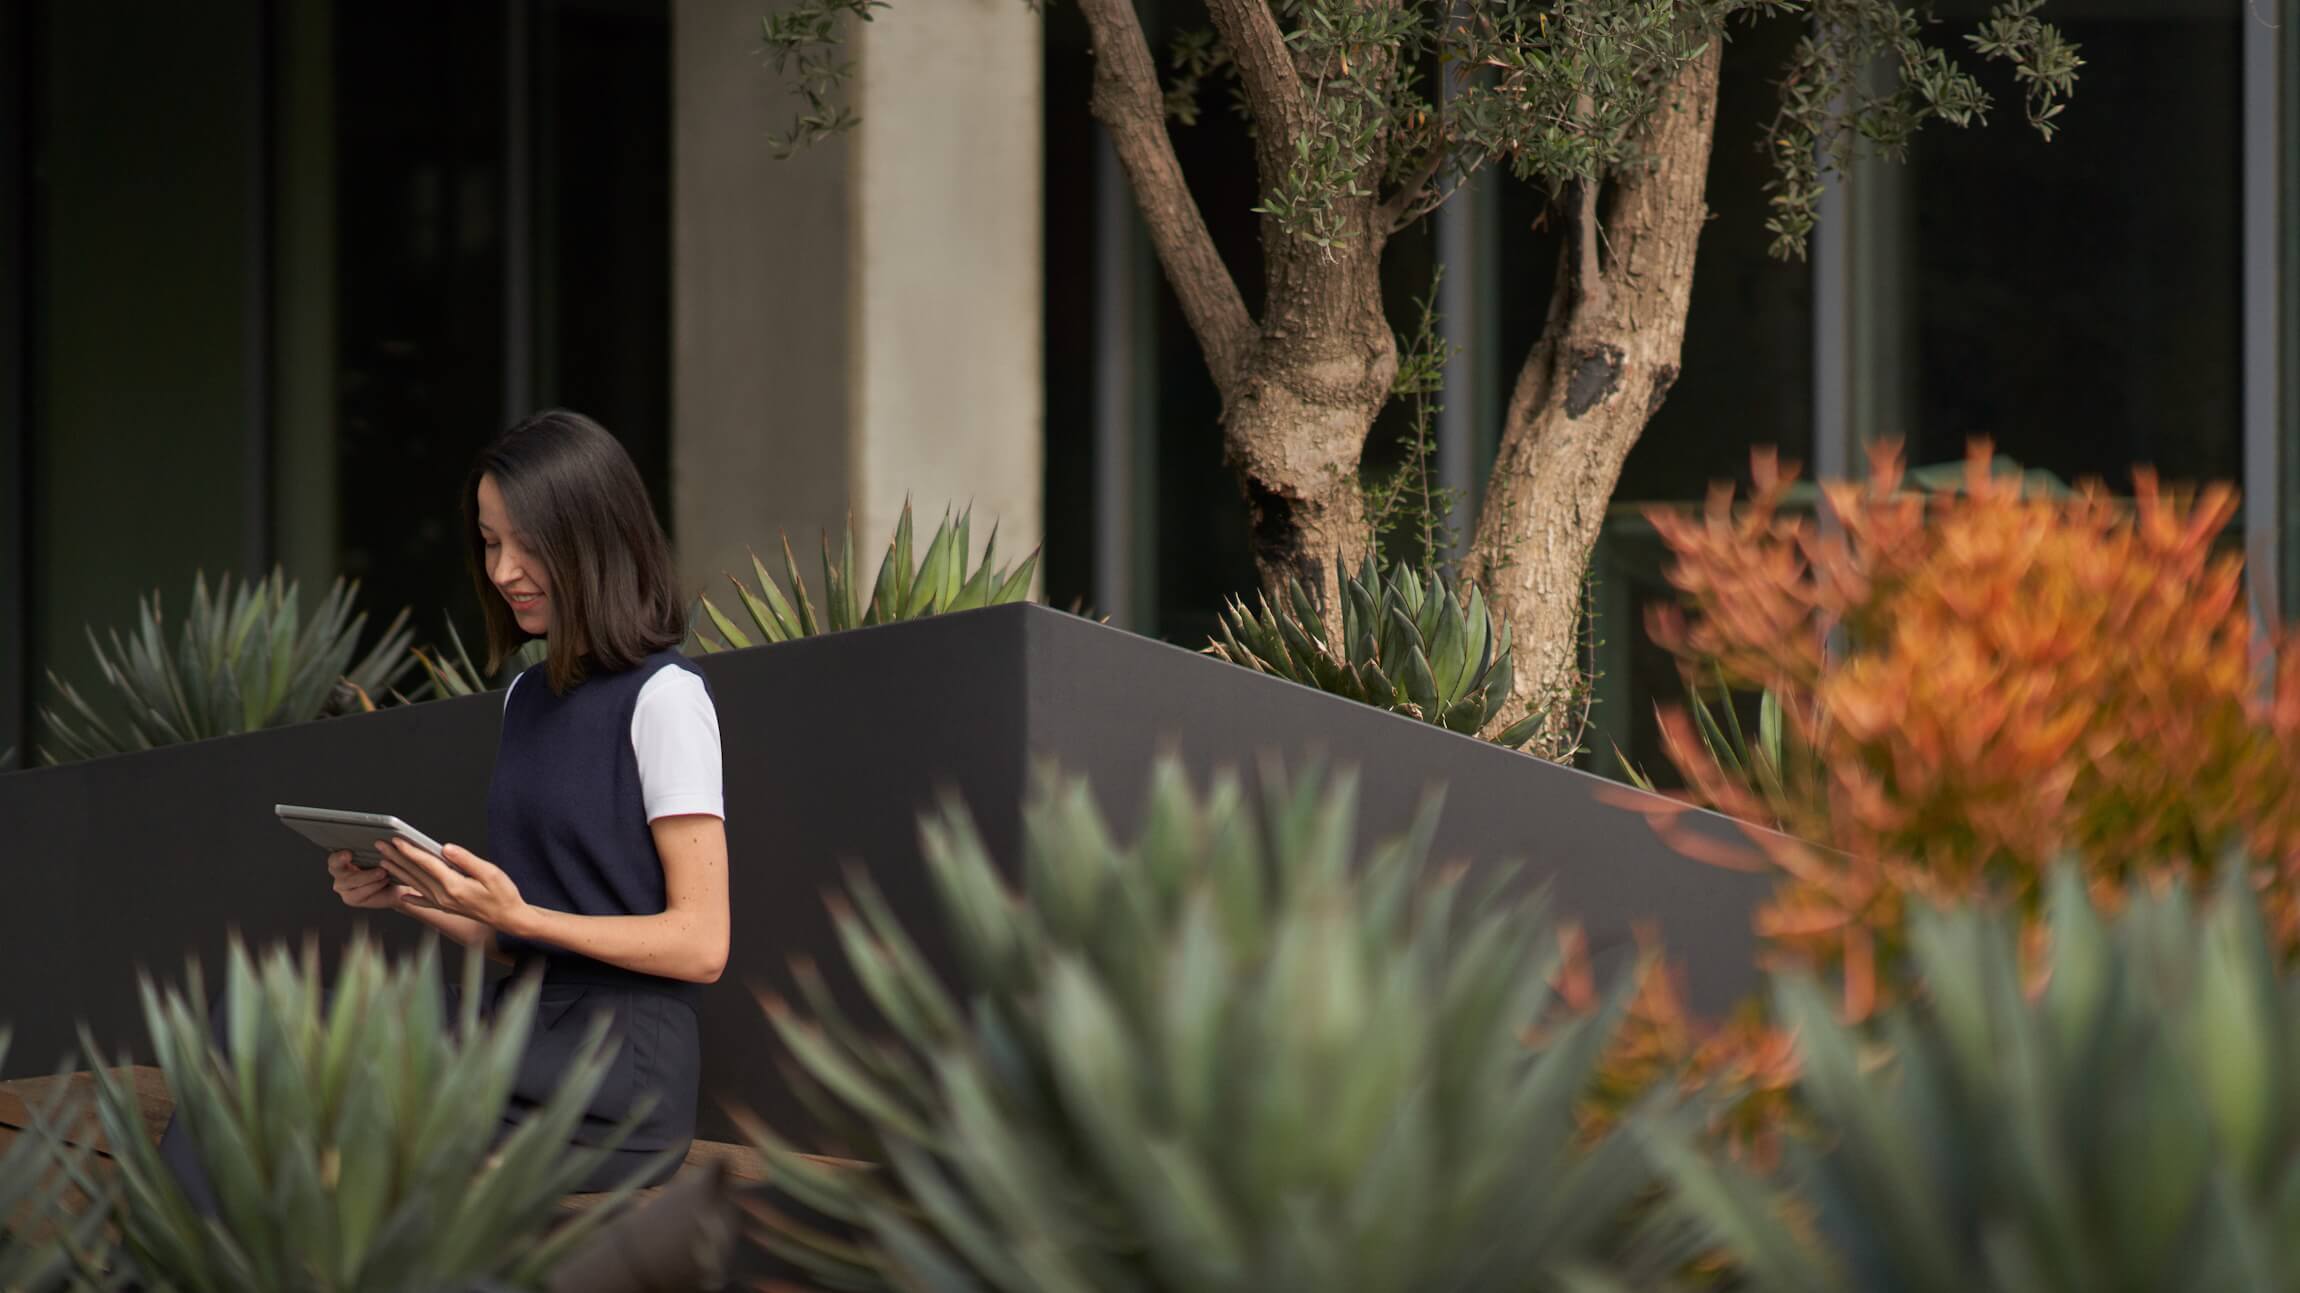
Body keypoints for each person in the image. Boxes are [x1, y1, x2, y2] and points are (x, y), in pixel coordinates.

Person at [160, 409, 729, 1202]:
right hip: (521, 1025)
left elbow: (702, 943)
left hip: (618, 1073)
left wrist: (523, 916)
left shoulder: (667, 700)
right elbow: (522, 944)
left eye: (526, 542)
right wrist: (417, 894)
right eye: (492, 542)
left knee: (267, 1028)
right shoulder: (526, 698)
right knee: (257, 1017)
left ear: (591, 536)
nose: (502, 571)